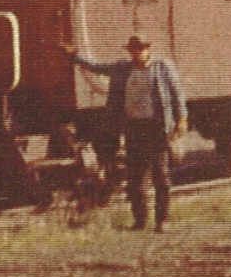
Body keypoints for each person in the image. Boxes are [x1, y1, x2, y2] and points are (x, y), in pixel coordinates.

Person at [62, 35, 187, 231]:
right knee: (136, 178)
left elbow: (177, 94)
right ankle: (140, 221)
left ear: (148, 49)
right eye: (133, 49)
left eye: (140, 49)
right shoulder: (122, 68)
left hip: (157, 128)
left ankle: (162, 220)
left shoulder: (162, 67)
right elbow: (97, 67)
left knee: (161, 176)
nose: (136, 53)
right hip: (134, 128)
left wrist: (181, 119)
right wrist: (75, 57)